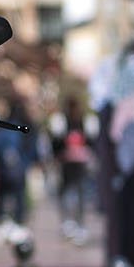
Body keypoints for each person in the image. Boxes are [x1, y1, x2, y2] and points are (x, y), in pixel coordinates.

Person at [0, 98, 38, 244]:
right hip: (18, 170)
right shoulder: (24, 127)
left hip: (3, 170)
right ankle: (17, 225)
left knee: (2, 198)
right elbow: (32, 148)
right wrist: (26, 163)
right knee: (19, 198)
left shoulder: (3, 127)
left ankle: (2, 224)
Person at [51, 97, 94, 245]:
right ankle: (68, 223)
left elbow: (91, 142)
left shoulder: (85, 122)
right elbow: (56, 143)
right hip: (67, 165)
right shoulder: (62, 122)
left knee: (80, 194)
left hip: (80, 165)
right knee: (67, 193)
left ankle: (79, 224)